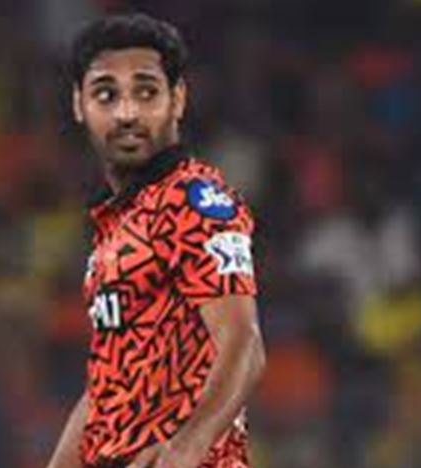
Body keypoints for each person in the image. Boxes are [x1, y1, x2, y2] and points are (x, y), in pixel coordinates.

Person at [46, 13, 267, 468]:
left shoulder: (192, 200)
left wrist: (186, 449)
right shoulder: (116, 224)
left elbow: (245, 346)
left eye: (146, 92)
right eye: (106, 94)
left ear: (177, 99)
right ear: (78, 104)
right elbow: (107, 387)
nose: (127, 113)